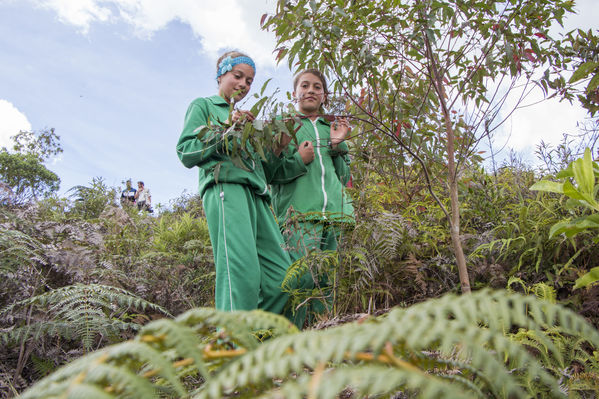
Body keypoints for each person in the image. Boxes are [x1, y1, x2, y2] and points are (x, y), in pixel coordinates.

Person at [175, 51, 295, 319]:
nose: (244, 84)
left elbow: (267, 171)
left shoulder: (249, 120)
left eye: (250, 81)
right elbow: (187, 151)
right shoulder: (204, 106)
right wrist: (226, 128)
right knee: (241, 276)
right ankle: (232, 350)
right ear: (221, 75)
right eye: (237, 76)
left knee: (283, 280)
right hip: (226, 189)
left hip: (259, 196)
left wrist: (278, 148)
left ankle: (260, 343)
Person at [270, 68, 355, 321]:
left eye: (317, 87)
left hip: (338, 216)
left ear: (324, 95)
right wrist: (298, 160)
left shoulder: (334, 127)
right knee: (298, 280)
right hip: (300, 215)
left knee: (328, 284)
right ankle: (290, 344)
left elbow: (343, 177)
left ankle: (322, 344)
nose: (310, 91)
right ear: (294, 93)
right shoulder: (283, 126)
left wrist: (337, 145)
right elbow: (270, 173)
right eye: (304, 86)